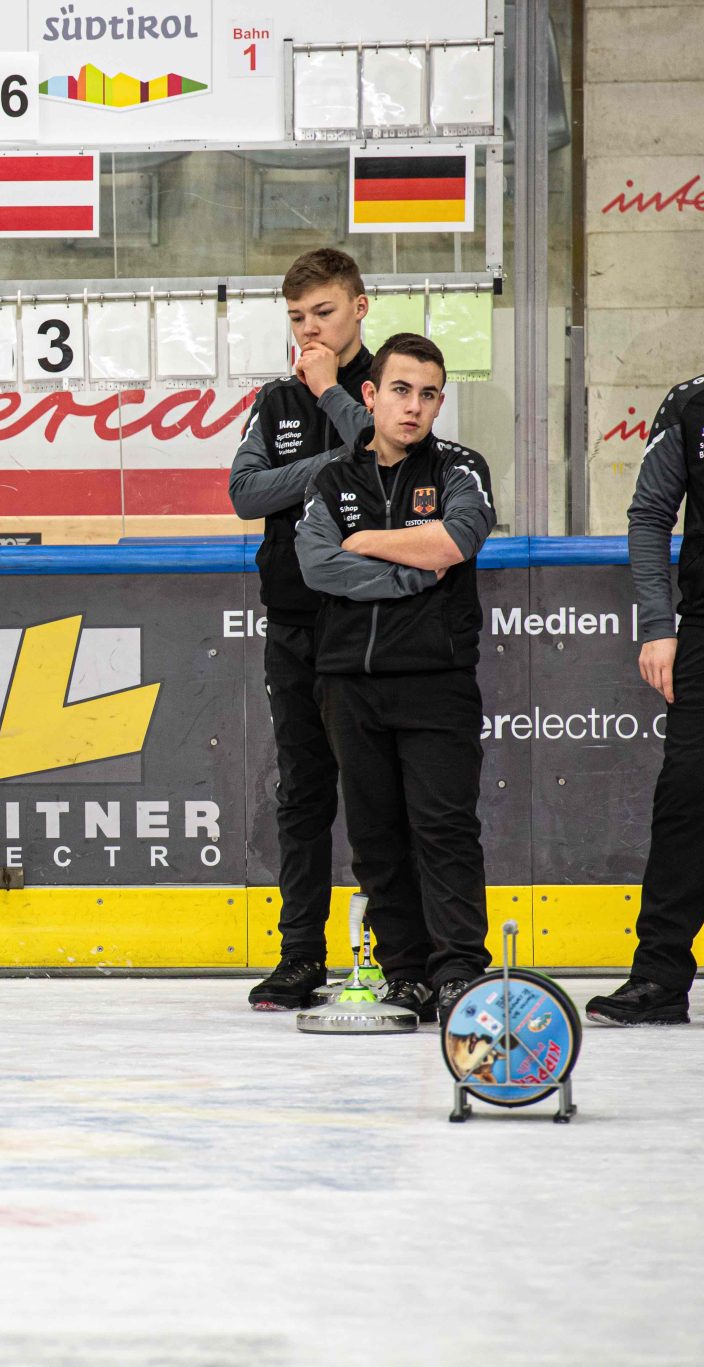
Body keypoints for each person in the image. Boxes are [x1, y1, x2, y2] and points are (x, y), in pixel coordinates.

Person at [294, 332, 496, 1023]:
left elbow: (454, 541)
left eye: (429, 393)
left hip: (436, 681)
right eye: (401, 390)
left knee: (443, 829)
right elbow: (317, 566)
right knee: (377, 838)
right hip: (348, 682)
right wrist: (410, 571)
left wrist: (368, 543)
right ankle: (406, 971)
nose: (414, 406)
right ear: (371, 396)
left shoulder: (462, 470)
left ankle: (458, 970)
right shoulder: (331, 480)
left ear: (441, 402)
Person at [228, 248, 379, 1010]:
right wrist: (325, 463)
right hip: (291, 623)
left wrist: (333, 395)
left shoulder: (393, 385)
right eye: (296, 317)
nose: (309, 329)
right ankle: (299, 956)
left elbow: (380, 456)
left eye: (322, 312)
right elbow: (245, 491)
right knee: (302, 794)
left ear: (359, 306)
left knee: (380, 792)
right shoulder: (277, 400)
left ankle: (397, 951)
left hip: (370, 625)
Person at [584, 377, 704, 1026]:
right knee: (687, 792)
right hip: (703, 632)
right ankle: (659, 976)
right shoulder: (689, 404)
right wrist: (660, 625)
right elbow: (651, 515)